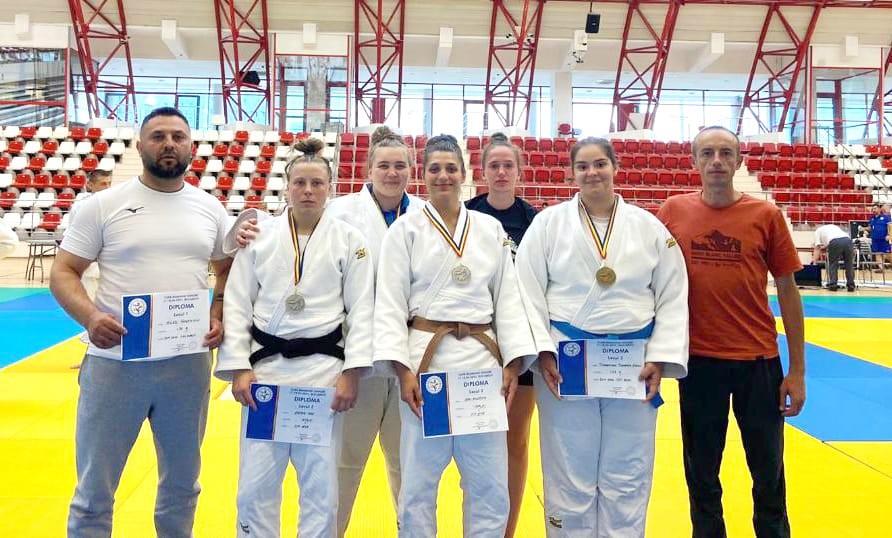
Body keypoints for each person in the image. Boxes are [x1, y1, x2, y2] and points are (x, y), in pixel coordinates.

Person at [50, 106, 232, 538]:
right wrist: (91, 317)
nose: (169, 144)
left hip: (186, 364)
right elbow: (64, 271)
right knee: (94, 490)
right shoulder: (103, 205)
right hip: (116, 364)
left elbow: (227, 268)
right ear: (139, 146)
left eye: (177, 137)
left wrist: (217, 310)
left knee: (183, 485)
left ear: (191, 147)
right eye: (158, 136)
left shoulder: (210, 208)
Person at [514, 137, 689, 537]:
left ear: (614, 167)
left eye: (599, 164)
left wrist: (659, 357)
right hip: (566, 360)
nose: (592, 172)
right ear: (571, 173)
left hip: (633, 362)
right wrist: (543, 351)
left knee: (628, 470)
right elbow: (526, 290)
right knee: (567, 466)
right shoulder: (548, 224)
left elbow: (673, 293)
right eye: (583, 166)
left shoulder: (649, 227)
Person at [374, 134, 537, 537]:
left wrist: (512, 364)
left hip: (482, 368)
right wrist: (403, 371)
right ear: (423, 175)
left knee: (489, 484)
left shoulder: (489, 228)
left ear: (464, 174)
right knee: (418, 485)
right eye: (435, 169)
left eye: (451, 168)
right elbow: (390, 303)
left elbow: (508, 298)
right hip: (426, 369)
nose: (443, 176)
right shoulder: (405, 231)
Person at [215, 138, 374, 537]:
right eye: (300, 183)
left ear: (329, 189)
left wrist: (352, 372)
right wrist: (238, 367)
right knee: (255, 486)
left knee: (321, 490)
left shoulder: (350, 240)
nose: (308, 191)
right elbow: (237, 302)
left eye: (317, 183)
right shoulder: (259, 236)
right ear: (286, 187)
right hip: (265, 376)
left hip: (323, 376)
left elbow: (361, 310)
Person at [657, 126, 805, 538]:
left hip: (758, 363)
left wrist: (797, 372)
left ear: (740, 162)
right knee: (701, 474)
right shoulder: (672, 211)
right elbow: (650, 282)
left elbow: (789, 292)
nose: (717, 161)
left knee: (769, 473)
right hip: (699, 363)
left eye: (726, 153)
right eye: (707, 153)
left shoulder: (766, 216)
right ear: (694, 161)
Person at [325, 126, 425, 537]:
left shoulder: (427, 214)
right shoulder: (338, 212)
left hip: (411, 358)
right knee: (344, 462)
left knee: (410, 463)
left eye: (400, 165)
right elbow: (293, 237)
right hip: (358, 356)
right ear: (368, 169)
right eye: (384, 165)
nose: (392, 172)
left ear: (411, 170)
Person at [464, 132, 538, 538]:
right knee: (474, 443)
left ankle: (506, 531)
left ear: (519, 172)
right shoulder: (465, 215)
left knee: (515, 440)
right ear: (482, 171)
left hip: (518, 343)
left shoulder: (535, 221)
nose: (501, 172)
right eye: (494, 165)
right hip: (473, 344)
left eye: (509, 165)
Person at [812, 223, 855, 291]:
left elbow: (817, 248)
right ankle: (851, 285)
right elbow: (834, 240)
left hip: (834, 242)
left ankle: (833, 284)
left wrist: (814, 262)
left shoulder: (817, 231)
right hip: (848, 240)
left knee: (833, 264)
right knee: (849, 264)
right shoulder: (832, 226)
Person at [868, 203, 891, 272]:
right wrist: (863, 229)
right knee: (877, 253)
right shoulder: (872, 219)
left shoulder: (886, 217)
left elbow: (890, 227)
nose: (873, 210)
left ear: (879, 209)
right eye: (872, 209)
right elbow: (870, 228)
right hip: (875, 239)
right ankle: (881, 268)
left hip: (884, 239)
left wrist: (889, 235)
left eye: (875, 208)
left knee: (887, 254)